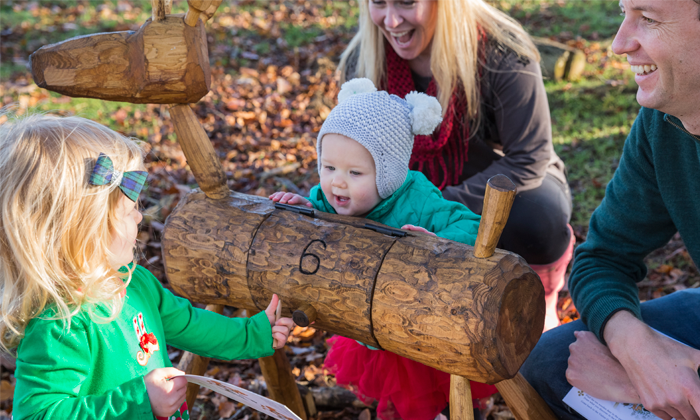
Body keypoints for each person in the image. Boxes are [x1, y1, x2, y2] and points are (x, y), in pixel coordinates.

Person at [0, 113, 295, 420]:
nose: (140, 217)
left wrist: (254, 332)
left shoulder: (135, 283)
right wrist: (138, 401)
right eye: (129, 211)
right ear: (84, 230)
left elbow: (190, 324)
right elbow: (39, 414)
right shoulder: (61, 323)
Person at [338, 0, 575, 333]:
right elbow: (348, 153)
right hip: (405, 183)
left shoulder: (502, 54)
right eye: (378, 2)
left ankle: (539, 294)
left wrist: (435, 207)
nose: (391, 20)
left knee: (538, 216)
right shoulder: (363, 60)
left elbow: (529, 156)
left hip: (495, 177)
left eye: (406, 2)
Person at [521, 1, 700, 419]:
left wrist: (636, 382)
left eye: (649, 19)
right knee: (550, 362)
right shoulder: (663, 124)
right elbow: (602, 258)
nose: (619, 43)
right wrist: (637, 351)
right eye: (624, 12)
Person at [270, 78, 489, 420]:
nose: (336, 182)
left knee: (422, 392)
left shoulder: (418, 199)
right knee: (388, 392)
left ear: (388, 173)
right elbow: (321, 213)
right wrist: (304, 208)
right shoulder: (334, 197)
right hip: (372, 318)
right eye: (328, 168)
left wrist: (436, 241)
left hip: (419, 325)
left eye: (355, 172)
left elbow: (471, 225)